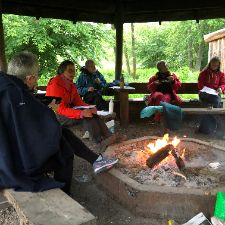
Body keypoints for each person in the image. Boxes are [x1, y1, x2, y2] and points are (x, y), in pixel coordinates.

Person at [0, 51, 118, 194]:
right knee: (64, 151)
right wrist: (51, 110)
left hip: (9, 150)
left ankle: (97, 157)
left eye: (74, 70)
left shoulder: (7, 85)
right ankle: (65, 193)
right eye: (36, 77)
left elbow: (24, 122)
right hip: (12, 161)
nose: (73, 73)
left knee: (67, 132)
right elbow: (46, 125)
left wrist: (87, 108)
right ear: (30, 78)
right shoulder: (19, 94)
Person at [46, 60, 126, 147]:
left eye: (74, 71)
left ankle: (110, 136)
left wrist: (91, 107)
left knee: (91, 113)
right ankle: (99, 143)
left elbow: (79, 102)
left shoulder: (71, 84)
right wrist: (81, 113)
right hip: (56, 116)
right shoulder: (55, 85)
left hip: (68, 111)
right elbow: (60, 110)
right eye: (70, 70)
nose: (73, 73)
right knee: (86, 116)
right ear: (62, 72)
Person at [197, 56, 225, 135]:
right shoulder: (204, 73)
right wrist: (203, 88)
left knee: (213, 105)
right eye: (213, 65)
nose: (214, 67)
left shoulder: (221, 74)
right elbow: (200, 83)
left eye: (216, 66)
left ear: (218, 65)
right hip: (205, 94)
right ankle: (213, 129)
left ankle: (205, 129)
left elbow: (223, 84)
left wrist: (220, 88)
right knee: (214, 104)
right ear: (210, 64)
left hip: (215, 94)